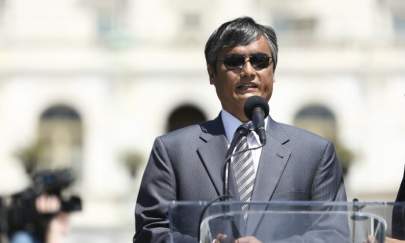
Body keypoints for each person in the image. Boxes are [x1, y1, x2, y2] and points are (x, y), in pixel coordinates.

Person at [134, 16, 347, 243]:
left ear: (273, 72)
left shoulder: (314, 152)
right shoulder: (172, 150)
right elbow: (150, 231)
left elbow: (333, 234)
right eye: (235, 61)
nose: (248, 71)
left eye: (259, 61)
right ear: (212, 73)